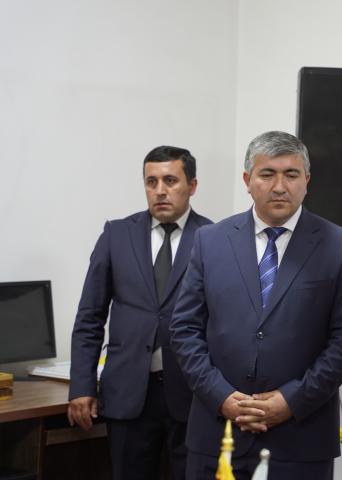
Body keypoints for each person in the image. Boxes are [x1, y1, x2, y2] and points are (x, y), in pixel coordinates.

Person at [170, 130, 342, 479]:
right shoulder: (210, 241)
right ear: (247, 180)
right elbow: (185, 329)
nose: (279, 186)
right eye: (267, 174)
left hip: (301, 439)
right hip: (217, 434)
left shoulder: (340, 246)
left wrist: (291, 400)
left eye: (291, 174)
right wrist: (222, 396)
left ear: (307, 180)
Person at [69, 146, 212, 480]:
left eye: (170, 180)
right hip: (128, 392)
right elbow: (90, 317)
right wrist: (81, 386)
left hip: (191, 394)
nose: (160, 190)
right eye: (151, 181)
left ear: (192, 186)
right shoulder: (116, 235)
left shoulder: (213, 238)